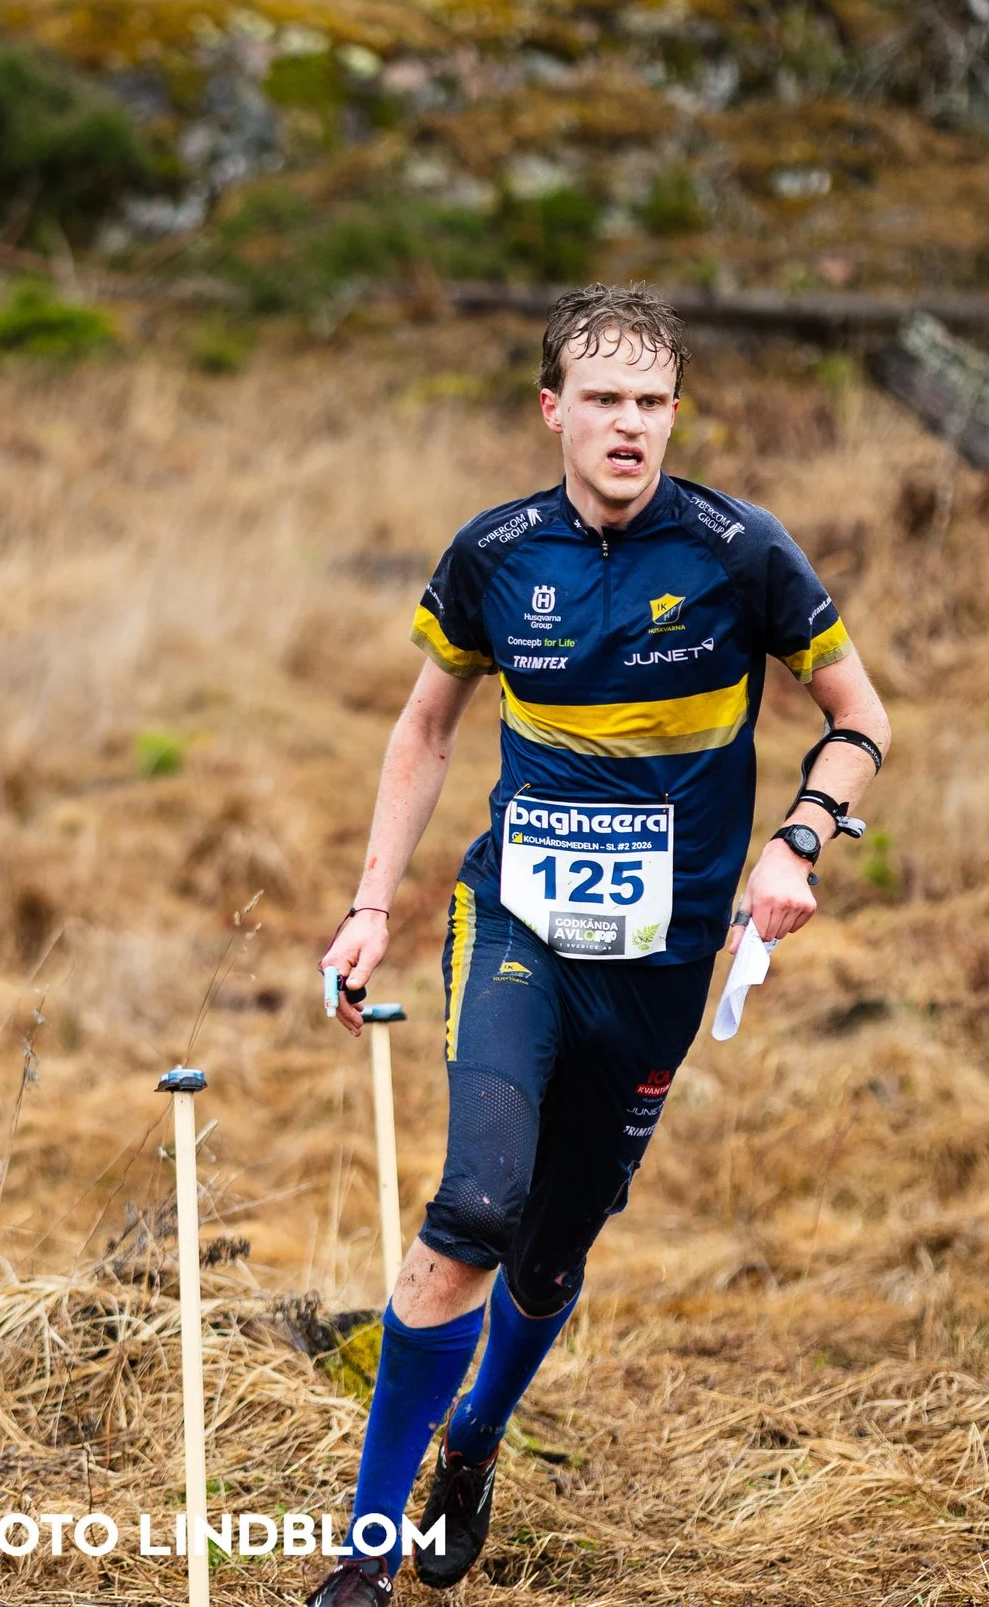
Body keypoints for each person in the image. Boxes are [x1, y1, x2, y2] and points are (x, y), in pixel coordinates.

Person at [306, 284, 891, 1605]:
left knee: (557, 1245)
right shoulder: (495, 555)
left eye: (653, 402)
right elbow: (426, 732)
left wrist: (797, 838)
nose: (630, 426)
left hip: (665, 957)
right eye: (605, 399)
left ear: (673, 412)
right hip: (515, 919)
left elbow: (860, 718)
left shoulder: (743, 551)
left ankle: (477, 1439)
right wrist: (368, 902)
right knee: (474, 1207)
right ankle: (369, 1545)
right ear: (552, 408)